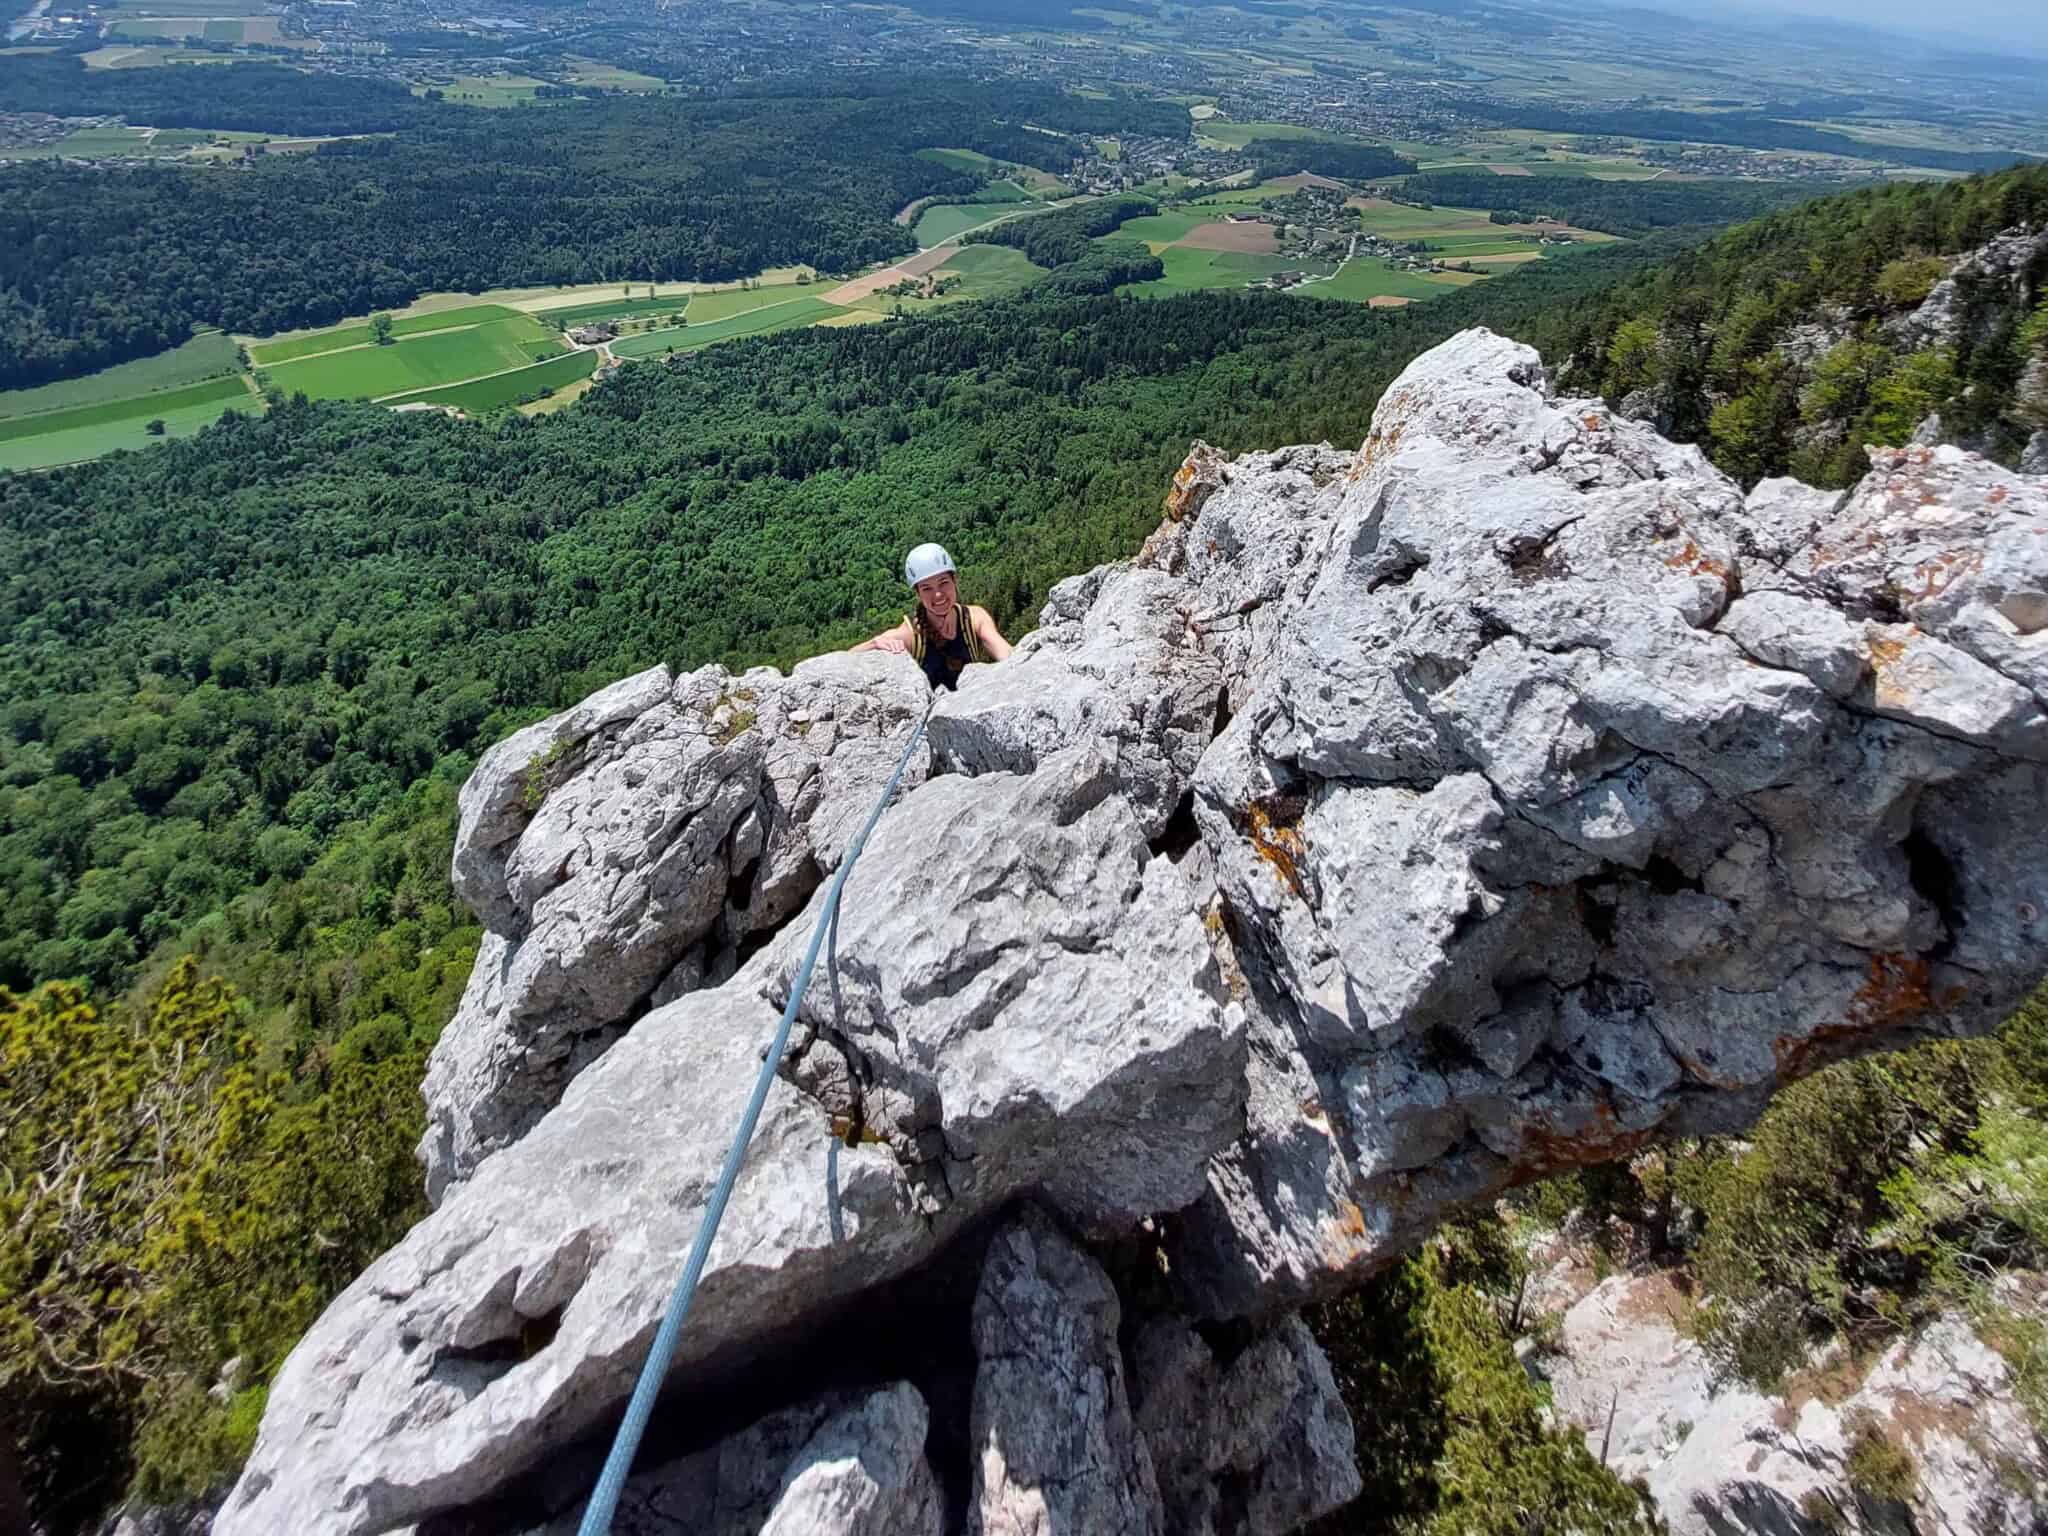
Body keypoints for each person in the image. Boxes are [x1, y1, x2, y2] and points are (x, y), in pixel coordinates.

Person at [852, 542, 1011, 689]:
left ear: (954, 580)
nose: (938, 595)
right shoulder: (911, 635)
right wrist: (874, 643)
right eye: (927, 588)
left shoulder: (974, 619)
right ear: (918, 594)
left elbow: (1006, 654)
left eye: (943, 583)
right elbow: (845, 659)